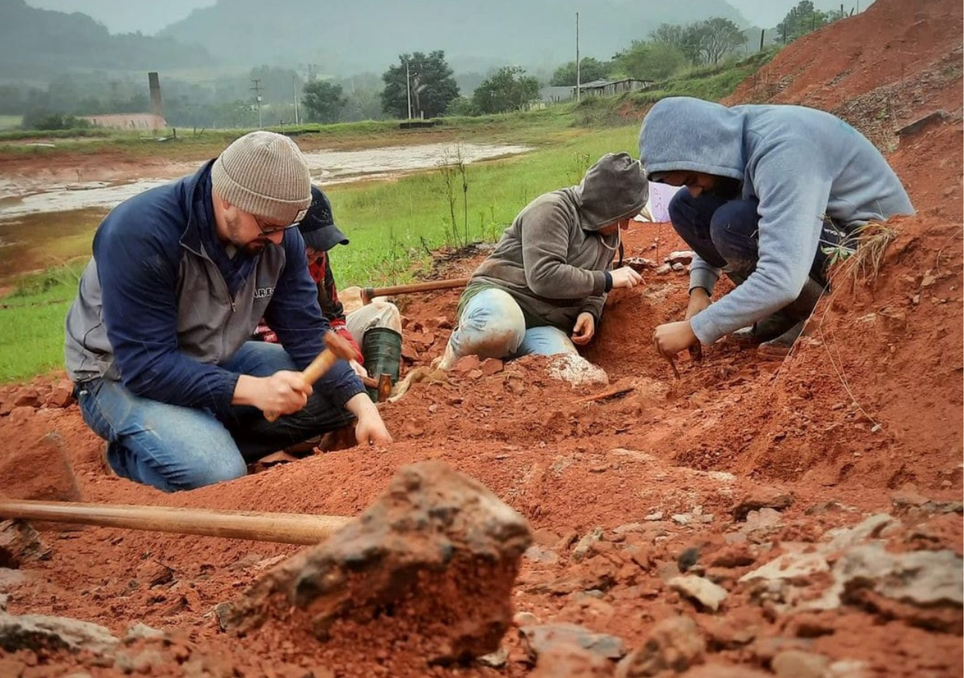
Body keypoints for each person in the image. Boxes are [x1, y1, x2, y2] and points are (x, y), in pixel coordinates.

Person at [65, 131, 392, 492]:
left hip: (210, 357)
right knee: (217, 473)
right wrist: (252, 390)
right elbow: (147, 367)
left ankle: (196, 435)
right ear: (227, 201)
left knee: (337, 400)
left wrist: (364, 408)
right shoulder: (140, 233)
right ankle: (135, 457)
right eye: (268, 227)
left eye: (286, 228)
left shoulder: (278, 235)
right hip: (118, 375)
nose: (279, 240)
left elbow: (304, 328)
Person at [639, 97, 914, 357]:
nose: (695, 190)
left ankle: (821, 317)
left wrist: (695, 329)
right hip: (828, 228)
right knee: (686, 208)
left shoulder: (782, 150)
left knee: (733, 224)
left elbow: (782, 277)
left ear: (707, 152)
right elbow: (704, 206)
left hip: (874, 257)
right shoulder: (732, 139)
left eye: (692, 178)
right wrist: (699, 291)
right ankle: (785, 311)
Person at [438, 152, 647, 368]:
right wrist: (608, 279)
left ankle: (502, 362)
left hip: (544, 323)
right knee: (500, 329)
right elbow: (544, 276)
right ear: (606, 207)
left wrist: (589, 311)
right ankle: (447, 366)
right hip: (502, 296)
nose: (625, 227)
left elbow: (597, 285)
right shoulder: (552, 210)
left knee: (572, 373)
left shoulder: (608, 234)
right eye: (623, 217)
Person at [254, 186, 403, 388]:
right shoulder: (264, 261)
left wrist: (349, 356)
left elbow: (333, 317)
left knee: (385, 312)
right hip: (283, 351)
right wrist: (331, 359)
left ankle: (379, 393)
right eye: (311, 245)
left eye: (322, 246)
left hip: (318, 339)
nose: (316, 252)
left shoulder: (319, 260)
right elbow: (263, 336)